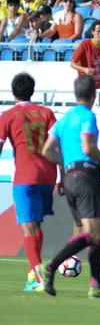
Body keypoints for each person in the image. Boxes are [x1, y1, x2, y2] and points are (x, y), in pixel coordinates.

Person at [37, 76, 100, 298]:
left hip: (70, 178)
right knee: (95, 233)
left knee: (97, 234)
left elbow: (47, 150)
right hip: (86, 177)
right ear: (95, 95)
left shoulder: (64, 120)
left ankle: (96, 286)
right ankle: (52, 266)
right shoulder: (88, 116)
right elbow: (88, 147)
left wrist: (67, 163)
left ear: (76, 94)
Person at [0, 73, 58, 292]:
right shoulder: (47, 112)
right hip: (48, 175)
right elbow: (57, 143)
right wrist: (61, 174)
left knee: (27, 228)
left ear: (13, 92)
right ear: (32, 91)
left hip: (25, 176)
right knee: (37, 225)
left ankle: (38, 275)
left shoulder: (7, 116)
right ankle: (32, 276)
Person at [70, 19, 100, 90]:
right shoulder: (84, 45)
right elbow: (72, 63)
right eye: (98, 31)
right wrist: (84, 69)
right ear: (93, 32)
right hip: (86, 85)